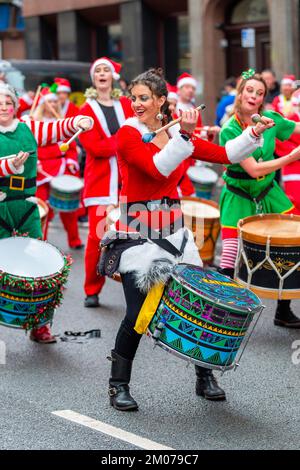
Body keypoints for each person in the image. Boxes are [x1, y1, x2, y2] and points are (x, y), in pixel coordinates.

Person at [105, 68, 274, 411]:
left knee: (201, 307)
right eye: (133, 98)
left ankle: (204, 376)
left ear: (161, 101)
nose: (136, 104)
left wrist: (252, 133)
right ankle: (117, 384)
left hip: (177, 236)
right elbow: (156, 169)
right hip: (139, 238)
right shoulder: (127, 135)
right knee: (138, 315)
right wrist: (183, 137)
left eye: (144, 98)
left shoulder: (175, 135)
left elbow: (226, 154)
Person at [0, 82, 93, 343]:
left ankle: (40, 325)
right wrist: (9, 165)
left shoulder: (28, 127)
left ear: (16, 106)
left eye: (8, 102)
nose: (4, 107)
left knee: (41, 266)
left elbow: (57, 128)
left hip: (27, 206)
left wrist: (78, 122)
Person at [218, 69, 300, 329]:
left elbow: (296, 127)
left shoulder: (271, 118)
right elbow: (253, 169)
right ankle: (222, 313)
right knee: (230, 255)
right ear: (240, 93)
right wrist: (290, 159)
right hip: (238, 196)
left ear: (264, 98)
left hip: (270, 194)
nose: (253, 96)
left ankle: (283, 311)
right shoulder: (229, 131)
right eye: (249, 90)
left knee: (292, 246)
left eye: (260, 93)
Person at [79, 57, 133, 308]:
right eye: (97, 71)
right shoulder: (85, 111)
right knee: (96, 238)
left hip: (130, 182)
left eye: (106, 70)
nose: (102, 74)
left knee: (133, 237)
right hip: (101, 185)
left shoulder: (126, 104)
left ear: (112, 77)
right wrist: (124, 141)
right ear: (93, 78)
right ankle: (92, 288)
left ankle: (135, 289)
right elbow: (95, 148)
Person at [34, 86, 84, 250]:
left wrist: (70, 161)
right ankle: (41, 242)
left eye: (55, 101)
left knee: (68, 208)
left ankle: (75, 240)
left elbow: (70, 148)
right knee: (43, 209)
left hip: (61, 167)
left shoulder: (62, 124)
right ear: (43, 103)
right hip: (41, 171)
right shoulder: (35, 124)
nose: (53, 104)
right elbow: (30, 147)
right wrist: (35, 163)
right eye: (49, 101)